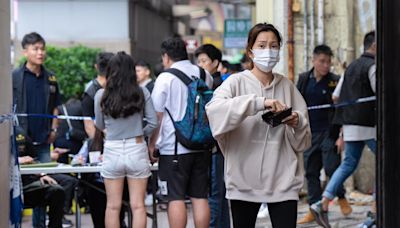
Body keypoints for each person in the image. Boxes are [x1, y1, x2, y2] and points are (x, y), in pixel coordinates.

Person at [205, 23, 311, 228]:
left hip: (283, 179)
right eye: (262, 46)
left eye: (273, 46)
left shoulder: (287, 86)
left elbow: (304, 137)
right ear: (250, 51)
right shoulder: (235, 82)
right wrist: (257, 103)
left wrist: (296, 121)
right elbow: (214, 111)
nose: (268, 51)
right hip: (243, 179)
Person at [310, 31, 377, 228]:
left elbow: (336, 96)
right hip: (369, 125)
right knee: (387, 162)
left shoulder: (350, 68)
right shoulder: (372, 66)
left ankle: (322, 203)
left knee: (348, 164)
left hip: (349, 125)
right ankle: (375, 207)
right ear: (374, 46)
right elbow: (380, 93)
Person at [149, 37, 213, 228]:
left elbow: (157, 116)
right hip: (201, 145)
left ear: (166, 57)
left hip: (174, 148)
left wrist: (152, 144)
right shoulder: (203, 73)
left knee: (175, 197)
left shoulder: (165, 78)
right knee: (200, 196)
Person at [94, 51, 158, 228]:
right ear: (131, 71)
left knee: (113, 206)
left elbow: (99, 125)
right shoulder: (142, 92)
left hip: (112, 149)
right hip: (136, 148)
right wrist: (139, 133)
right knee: (138, 206)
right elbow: (153, 123)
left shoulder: (101, 95)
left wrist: (112, 132)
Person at [296, 45, 352, 224]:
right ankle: (314, 208)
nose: (326, 65)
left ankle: (341, 196)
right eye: (322, 61)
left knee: (331, 168)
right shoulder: (304, 79)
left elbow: (341, 109)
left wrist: (340, 135)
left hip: (329, 133)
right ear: (313, 60)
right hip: (309, 134)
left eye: (328, 62)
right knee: (311, 172)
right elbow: (298, 103)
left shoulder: (334, 81)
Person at [12, 32, 61, 228]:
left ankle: (39, 226)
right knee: (20, 186)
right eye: (35, 49)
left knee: (46, 184)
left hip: (43, 140)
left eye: (42, 48)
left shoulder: (50, 77)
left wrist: (54, 130)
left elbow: (56, 106)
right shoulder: (15, 76)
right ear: (25, 52)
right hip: (22, 142)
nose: (40, 53)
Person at [195, 44, 230, 228]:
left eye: (204, 61)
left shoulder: (216, 86)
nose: (200, 65)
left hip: (215, 146)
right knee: (221, 195)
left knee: (214, 195)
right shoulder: (210, 84)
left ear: (215, 62)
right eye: (198, 61)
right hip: (219, 146)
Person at [81, 52, 114, 139]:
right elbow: (89, 126)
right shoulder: (91, 93)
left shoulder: (89, 92)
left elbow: (88, 126)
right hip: (105, 142)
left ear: (96, 66)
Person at [54, 98, 87, 164]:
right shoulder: (81, 108)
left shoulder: (59, 108)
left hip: (59, 142)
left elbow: (55, 126)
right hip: (75, 143)